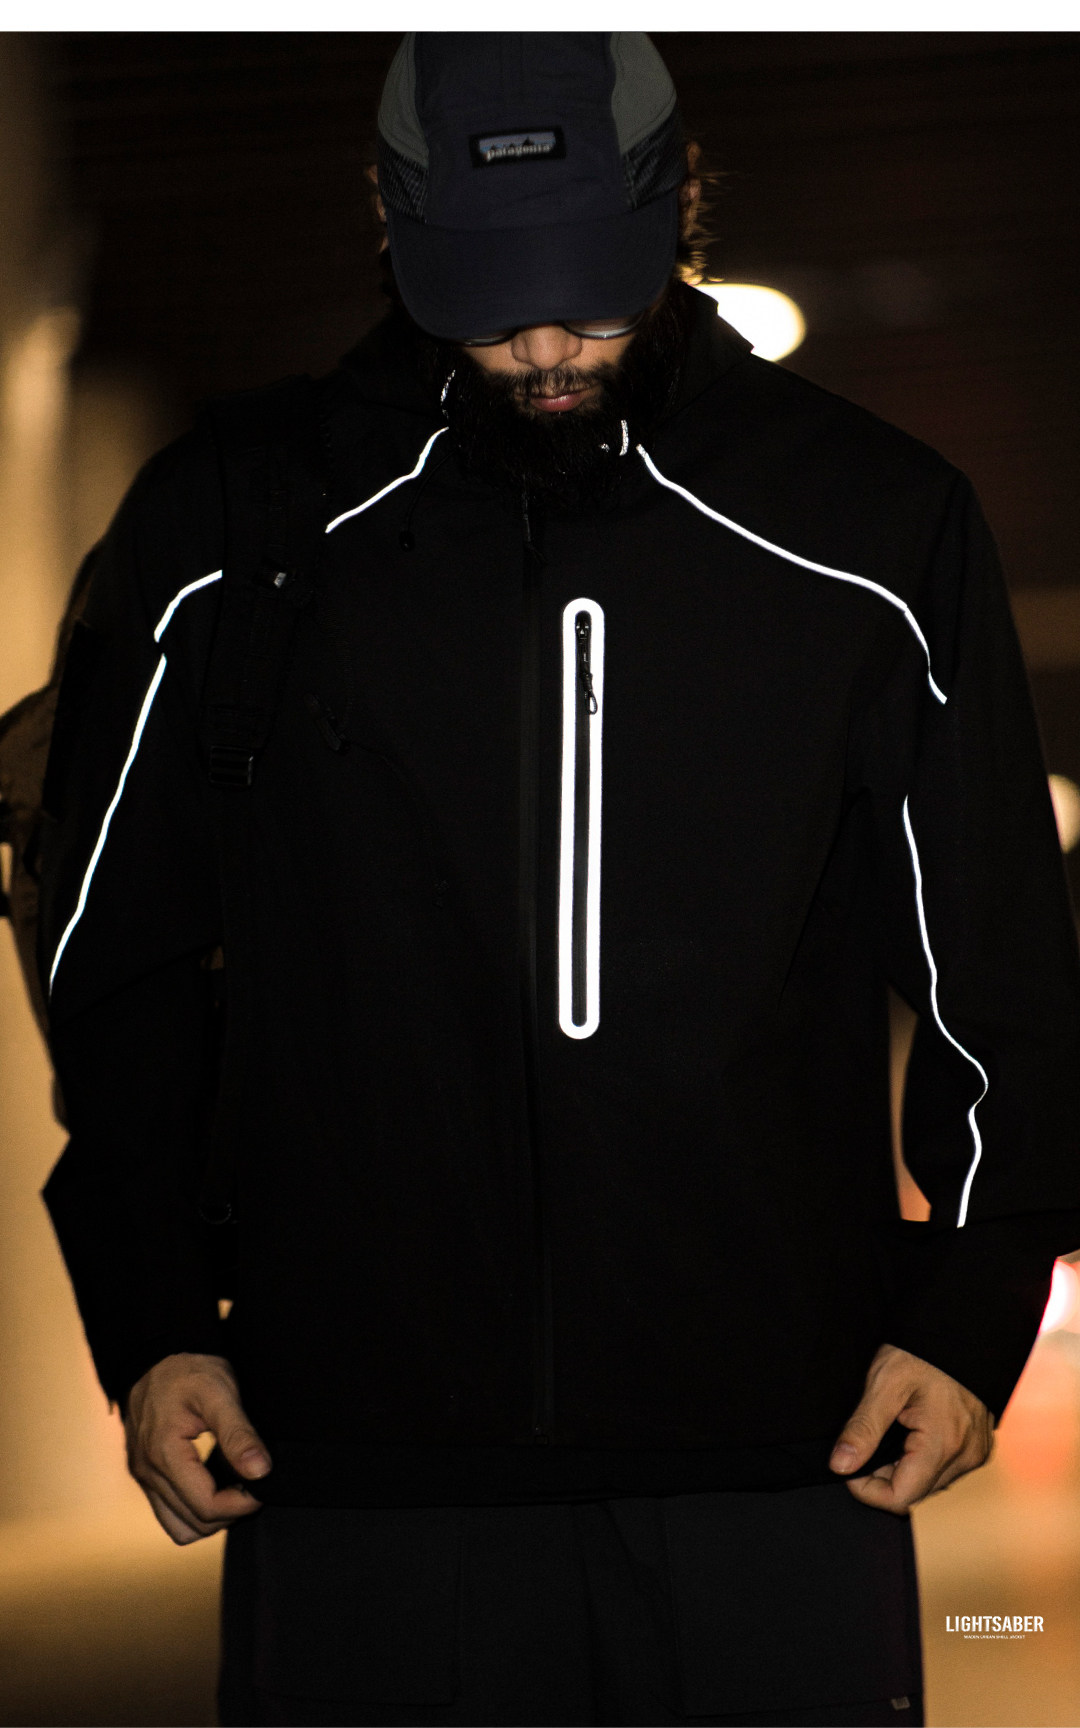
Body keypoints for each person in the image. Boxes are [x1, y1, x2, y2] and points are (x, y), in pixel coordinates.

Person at [35, 32, 1080, 1728]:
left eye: (589, 294)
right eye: (490, 298)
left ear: (679, 206)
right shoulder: (227, 524)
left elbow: (999, 961)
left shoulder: (873, 526)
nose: (540, 346)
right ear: (391, 222)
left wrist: (976, 1302)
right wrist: (150, 1314)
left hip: (781, 1458)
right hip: (357, 1469)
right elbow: (113, 950)